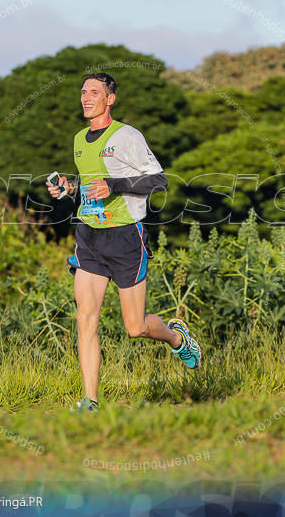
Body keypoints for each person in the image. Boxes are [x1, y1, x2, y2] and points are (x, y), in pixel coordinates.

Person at [46, 72, 201, 413]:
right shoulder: (79, 139)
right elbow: (89, 184)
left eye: (94, 92)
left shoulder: (126, 135)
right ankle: (90, 401)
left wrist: (114, 186)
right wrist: (67, 188)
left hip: (125, 237)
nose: (86, 97)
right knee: (86, 319)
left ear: (109, 99)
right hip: (89, 236)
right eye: (83, 91)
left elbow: (159, 180)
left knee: (135, 327)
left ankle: (176, 337)